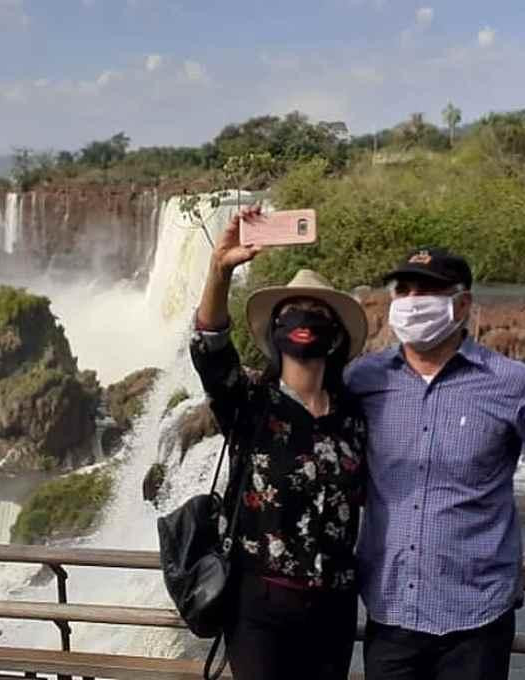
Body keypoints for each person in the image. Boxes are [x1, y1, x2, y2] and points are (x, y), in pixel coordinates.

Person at [346, 247, 525, 680]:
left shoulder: (509, 383)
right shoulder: (364, 379)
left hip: (475, 617)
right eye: (404, 290)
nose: (410, 302)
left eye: (426, 291)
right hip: (390, 609)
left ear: (462, 304)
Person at [190, 205, 370, 680]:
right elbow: (209, 344)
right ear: (275, 331)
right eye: (292, 312)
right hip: (260, 604)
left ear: (334, 339)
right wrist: (220, 268)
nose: (303, 319)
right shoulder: (250, 403)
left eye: (316, 314)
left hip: (334, 604)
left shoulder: (355, 418)